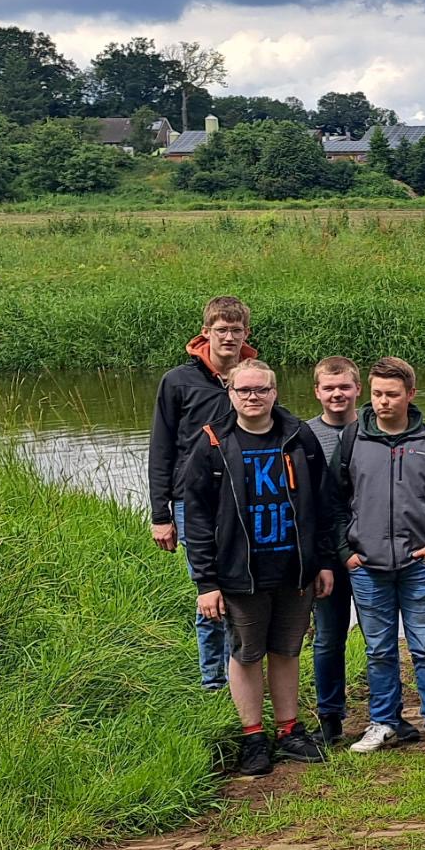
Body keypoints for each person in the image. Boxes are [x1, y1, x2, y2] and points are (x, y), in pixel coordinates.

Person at [180, 358, 336, 775]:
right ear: (230, 394)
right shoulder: (211, 442)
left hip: (294, 567)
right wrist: (206, 582)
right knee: (247, 654)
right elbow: (195, 518)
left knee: (286, 650)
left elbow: (323, 505)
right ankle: (253, 737)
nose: (253, 397)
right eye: (244, 390)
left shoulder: (299, 436)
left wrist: (321, 562)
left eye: (261, 390)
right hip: (239, 573)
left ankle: (288, 730)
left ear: (275, 392)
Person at [325, 356, 425, 755]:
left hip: (420, 564)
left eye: (392, 394)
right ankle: (383, 721)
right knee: (379, 649)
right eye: (378, 394)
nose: (383, 402)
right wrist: (345, 551)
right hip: (367, 566)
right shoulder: (352, 439)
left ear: (411, 395)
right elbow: (335, 502)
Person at [148, 295, 260, 692]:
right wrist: (160, 515)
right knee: (208, 588)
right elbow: (161, 448)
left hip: (246, 499)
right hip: (191, 499)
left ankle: (241, 674)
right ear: (206, 332)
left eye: (236, 329)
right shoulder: (178, 381)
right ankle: (212, 683)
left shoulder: (253, 379)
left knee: (243, 588)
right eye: (221, 329)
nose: (229, 336)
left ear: (246, 333)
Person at [304, 355, 362, 746]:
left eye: (344, 387)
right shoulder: (303, 436)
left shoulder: (376, 428)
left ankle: (386, 715)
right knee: (328, 637)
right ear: (317, 392)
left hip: (374, 551)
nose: (337, 394)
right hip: (327, 556)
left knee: (382, 636)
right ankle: (330, 716)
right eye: (329, 388)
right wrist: (318, 558)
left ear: (358, 389)